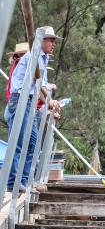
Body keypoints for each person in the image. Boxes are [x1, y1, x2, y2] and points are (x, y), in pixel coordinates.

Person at [6, 27, 62, 192]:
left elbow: (40, 87)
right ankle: (13, 182)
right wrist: (49, 102)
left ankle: (23, 182)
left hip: (29, 101)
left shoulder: (42, 58)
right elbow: (40, 87)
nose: (53, 44)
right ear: (42, 41)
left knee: (31, 143)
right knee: (20, 142)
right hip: (21, 100)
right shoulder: (34, 56)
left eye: (54, 40)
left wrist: (49, 103)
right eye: (51, 40)